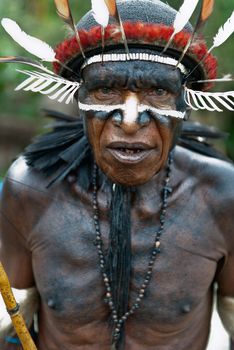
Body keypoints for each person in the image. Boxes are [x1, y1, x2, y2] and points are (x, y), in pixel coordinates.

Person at [0, 0, 234, 349]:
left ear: (185, 104)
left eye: (157, 92)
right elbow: (10, 326)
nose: (128, 119)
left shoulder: (221, 196)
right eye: (106, 89)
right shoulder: (30, 189)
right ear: (79, 97)